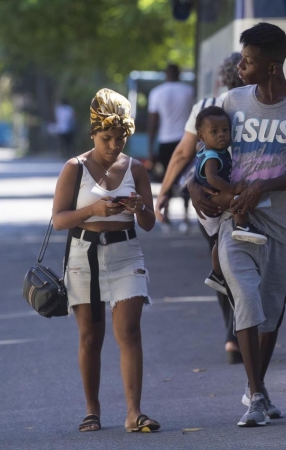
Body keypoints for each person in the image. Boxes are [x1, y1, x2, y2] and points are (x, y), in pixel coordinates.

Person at [189, 22, 286, 427]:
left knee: (270, 312)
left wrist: (265, 184)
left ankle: (258, 390)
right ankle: (254, 399)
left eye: (249, 62)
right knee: (247, 300)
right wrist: (192, 188)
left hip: (280, 228)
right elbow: (205, 154)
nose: (241, 68)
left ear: (272, 67)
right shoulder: (232, 100)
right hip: (236, 222)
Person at [51, 88, 159, 433]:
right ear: (93, 134)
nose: (114, 145)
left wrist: (138, 206)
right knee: (90, 336)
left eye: (121, 137)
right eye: (107, 138)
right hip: (83, 256)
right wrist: (93, 210)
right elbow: (59, 219)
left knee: (128, 331)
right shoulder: (75, 168)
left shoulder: (136, 168)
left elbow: (149, 223)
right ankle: (92, 409)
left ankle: (133, 412)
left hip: (126, 252)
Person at [156, 53, 245, 363]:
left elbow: (182, 153)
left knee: (223, 263)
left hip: (209, 201)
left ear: (221, 79)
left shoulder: (206, 105)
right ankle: (249, 332)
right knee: (251, 267)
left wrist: (165, 192)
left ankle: (233, 335)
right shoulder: (257, 106)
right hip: (249, 198)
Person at [192, 105, 268, 294]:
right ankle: (243, 224)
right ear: (202, 136)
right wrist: (233, 188)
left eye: (225, 130)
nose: (221, 135)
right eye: (214, 132)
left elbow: (196, 147)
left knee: (218, 241)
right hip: (212, 198)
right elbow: (212, 178)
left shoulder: (203, 147)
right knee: (237, 199)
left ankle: (216, 274)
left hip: (211, 198)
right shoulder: (212, 156)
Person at [147, 63, 194, 231]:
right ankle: (186, 217)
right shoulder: (189, 91)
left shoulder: (157, 93)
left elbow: (153, 123)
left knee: (167, 178)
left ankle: (165, 215)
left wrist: (150, 148)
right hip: (185, 140)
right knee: (186, 178)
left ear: (165, 74)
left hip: (165, 141)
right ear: (179, 74)